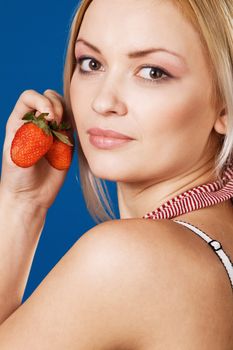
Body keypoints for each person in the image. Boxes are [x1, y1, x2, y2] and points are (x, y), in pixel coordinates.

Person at [0, 0, 232, 348]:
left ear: (226, 107)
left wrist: (20, 206)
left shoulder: (129, 260)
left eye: (153, 72)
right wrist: (25, 198)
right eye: (91, 63)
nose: (102, 102)